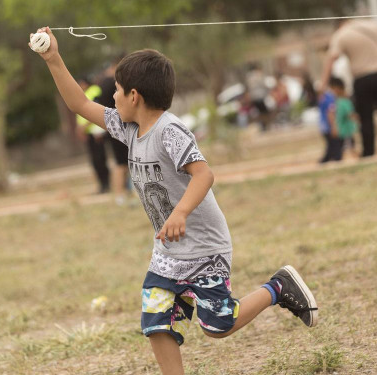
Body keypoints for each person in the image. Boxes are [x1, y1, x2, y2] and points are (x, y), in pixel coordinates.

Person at [32, 27, 318, 375]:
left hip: (204, 248)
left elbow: (204, 174)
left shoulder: (170, 130)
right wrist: (53, 58)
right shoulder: (129, 128)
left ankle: (278, 287)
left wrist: (181, 212)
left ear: (134, 95)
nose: (114, 98)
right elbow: (79, 103)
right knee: (157, 322)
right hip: (168, 254)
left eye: (117, 92)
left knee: (219, 324)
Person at [321, 19, 377, 157]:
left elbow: (331, 58)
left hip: (362, 79)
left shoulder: (341, 34)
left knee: (366, 118)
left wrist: (324, 84)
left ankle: (369, 151)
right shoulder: (373, 25)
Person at [95, 58, 131, 203]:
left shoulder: (102, 83)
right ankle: (119, 194)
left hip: (109, 127)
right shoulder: (111, 83)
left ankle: (124, 193)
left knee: (122, 162)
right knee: (121, 163)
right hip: (119, 125)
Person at [77, 77, 111, 194]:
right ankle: (102, 184)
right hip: (89, 132)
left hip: (97, 131)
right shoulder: (85, 94)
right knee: (95, 161)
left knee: (100, 159)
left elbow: (96, 112)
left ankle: (107, 184)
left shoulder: (94, 91)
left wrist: (86, 127)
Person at [327, 77, 359, 161]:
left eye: (332, 89)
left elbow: (350, 114)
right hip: (343, 130)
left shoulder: (342, 101)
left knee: (347, 147)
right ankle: (355, 158)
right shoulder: (339, 101)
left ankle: (355, 158)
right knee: (347, 147)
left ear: (337, 88)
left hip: (346, 130)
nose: (331, 92)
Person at [318, 87, 340, 163]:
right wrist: (333, 127)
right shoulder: (330, 98)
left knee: (331, 146)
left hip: (323, 126)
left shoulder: (322, 99)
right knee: (335, 147)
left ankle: (324, 161)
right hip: (328, 126)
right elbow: (330, 113)